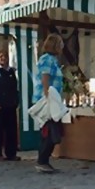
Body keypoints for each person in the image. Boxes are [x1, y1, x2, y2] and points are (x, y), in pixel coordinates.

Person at [31, 34, 65, 173]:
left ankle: (44, 159)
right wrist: (47, 95)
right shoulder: (47, 60)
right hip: (47, 99)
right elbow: (45, 77)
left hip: (52, 98)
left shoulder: (53, 60)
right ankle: (42, 160)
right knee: (49, 130)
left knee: (52, 129)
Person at [0, 50, 20, 161]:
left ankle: (11, 153)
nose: (3, 58)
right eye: (1, 56)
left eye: (5, 56)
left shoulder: (11, 71)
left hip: (10, 104)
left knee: (11, 130)